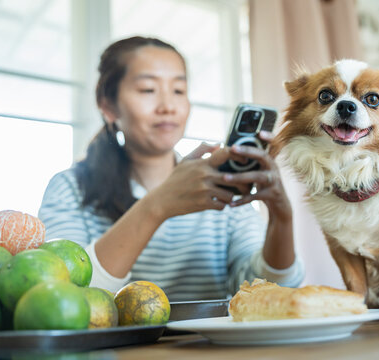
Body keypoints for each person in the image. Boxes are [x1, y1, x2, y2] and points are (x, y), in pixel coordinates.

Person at [38, 36, 304, 300]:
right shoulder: (70, 188)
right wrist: (158, 206)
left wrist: (281, 220)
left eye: (178, 91)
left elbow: (267, 294)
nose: (168, 107)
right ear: (108, 105)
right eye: (147, 90)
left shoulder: (222, 184)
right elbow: (63, 296)